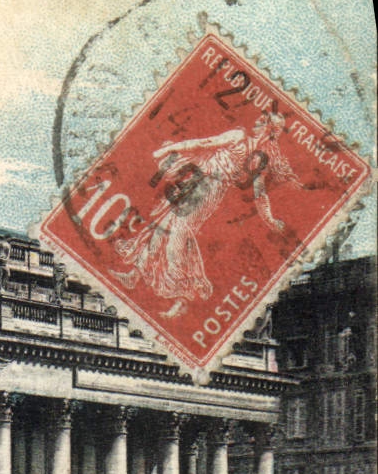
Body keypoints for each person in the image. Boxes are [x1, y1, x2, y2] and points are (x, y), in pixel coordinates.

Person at [112, 112, 298, 319]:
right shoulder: (238, 135)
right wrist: (170, 148)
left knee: (178, 234)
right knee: (162, 225)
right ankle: (135, 274)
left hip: (211, 190)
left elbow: (259, 192)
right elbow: (204, 143)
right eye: (259, 118)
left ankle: (181, 296)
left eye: (263, 122)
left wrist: (269, 219)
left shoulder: (260, 159)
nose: (256, 121)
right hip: (196, 179)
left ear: (270, 131)